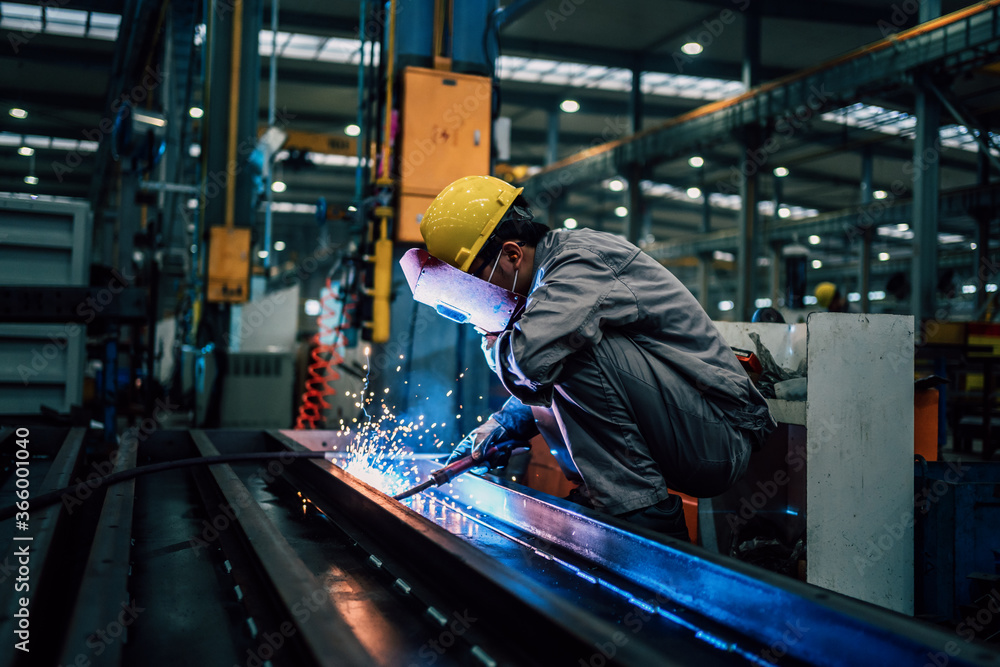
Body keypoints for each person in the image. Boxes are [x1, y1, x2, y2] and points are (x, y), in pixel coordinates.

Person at [420, 175, 775, 541]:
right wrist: (503, 426)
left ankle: (647, 532)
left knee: (568, 352)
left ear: (512, 254)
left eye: (472, 281)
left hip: (716, 439)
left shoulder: (576, 264)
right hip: (686, 430)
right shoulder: (543, 288)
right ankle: (615, 506)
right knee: (558, 350)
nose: (473, 296)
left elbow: (530, 360)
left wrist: (493, 339)